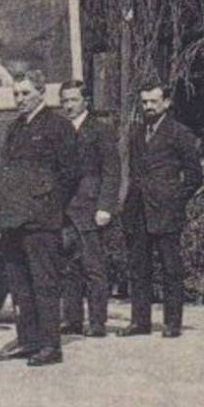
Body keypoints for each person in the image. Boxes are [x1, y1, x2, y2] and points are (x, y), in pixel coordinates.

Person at [0, 71, 80, 367]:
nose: (19, 99)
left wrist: (49, 204)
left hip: (41, 219)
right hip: (13, 217)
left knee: (44, 282)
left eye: (25, 94)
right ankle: (28, 339)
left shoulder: (58, 126)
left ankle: (50, 345)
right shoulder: (15, 128)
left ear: (41, 94)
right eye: (16, 94)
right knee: (19, 283)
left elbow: (70, 173)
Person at [121, 78, 204, 339]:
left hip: (166, 210)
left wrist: (175, 199)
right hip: (138, 210)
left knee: (170, 268)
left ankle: (172, 323)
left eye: (153, 102)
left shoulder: (180, 133)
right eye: (144, 102)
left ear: (166, 103)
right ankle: (140, 322)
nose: (148, 107)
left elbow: (194, 176)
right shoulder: (135, 133)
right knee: (138, 267)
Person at [58, 80, 120, 338]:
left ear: (86, 101)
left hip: (90, 207)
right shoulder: (60, 130)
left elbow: (112, 170)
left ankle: (97, 322)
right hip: (64, 210)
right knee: (68, 267)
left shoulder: (100, 129)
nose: (68, 105)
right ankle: (72, 320)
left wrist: (105, 206)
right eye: (64, 101)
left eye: (73, 100)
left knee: (93, 267)